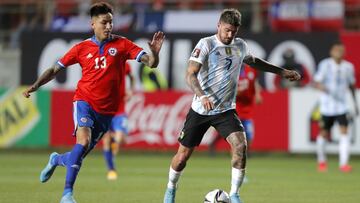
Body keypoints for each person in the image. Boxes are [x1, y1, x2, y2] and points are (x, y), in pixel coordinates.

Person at [22, 2, 165, 203]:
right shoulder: (81, 48)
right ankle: (67, 194)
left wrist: (155, 54)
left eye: (111, 23)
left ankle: (55, 159)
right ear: (93, 24)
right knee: (82, 142)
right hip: (84, 101)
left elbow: (150, 63)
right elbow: (55, 69)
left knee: (78, 154)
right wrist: (36, 85)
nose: (108, 27)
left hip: (107, 112)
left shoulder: (122, 44)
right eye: (104, 22)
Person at [163, 8, 300, 203]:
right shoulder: (206, 44)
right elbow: (190, 74)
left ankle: (235, 194)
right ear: (218, 25)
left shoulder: (240, 45)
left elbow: (253, 62)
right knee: (182, 157)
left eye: (233, 32)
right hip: (201, 109)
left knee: (240, 146)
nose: (229, 35)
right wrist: (202, 96)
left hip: (226, 110)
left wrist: (281, 72)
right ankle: (171, 189)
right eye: (226, 30)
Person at [313, 42, 358, 173]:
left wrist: (355, 103)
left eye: (341, 50)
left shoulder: (349, 67)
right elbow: (316, 82)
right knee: (323, 134)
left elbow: (351, 85)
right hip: (327, 106)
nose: (339, 52)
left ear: (344, 53)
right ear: (331, 52)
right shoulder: (325, 65)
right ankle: (321, 162)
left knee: (344, 133)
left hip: (342, 106)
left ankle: (343, 164)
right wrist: (321, 86)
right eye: (336, 50)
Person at [208, 64, 262, 156]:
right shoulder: (230, 70)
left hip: (247, 107)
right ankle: (217, 146)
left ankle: (246, 152)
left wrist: (257, 93)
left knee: (249, 132)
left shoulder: (251, 70)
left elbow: (255, 81)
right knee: (230, 131)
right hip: (233, 107)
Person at [102, 62, 134, 180]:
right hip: (106, 110)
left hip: (120, 111)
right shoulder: (105, 64)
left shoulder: (125, 65)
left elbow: (131, 77)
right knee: (106, 140)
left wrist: (131, 90)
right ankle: (111, 169)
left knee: (120, 138)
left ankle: (113, 149)